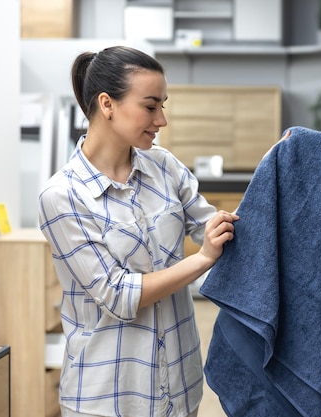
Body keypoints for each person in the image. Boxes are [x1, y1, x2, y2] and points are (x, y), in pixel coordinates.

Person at [38, 45, 239, 417]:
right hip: (108, 398)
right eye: (150, 106)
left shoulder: (163, 165)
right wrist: (204, 258)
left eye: (163, 105)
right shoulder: (62, 196)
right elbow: (117, 294)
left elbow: (211, 225)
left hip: (179, 387)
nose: (161, 119)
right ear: (107, 104)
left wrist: (277, 174)